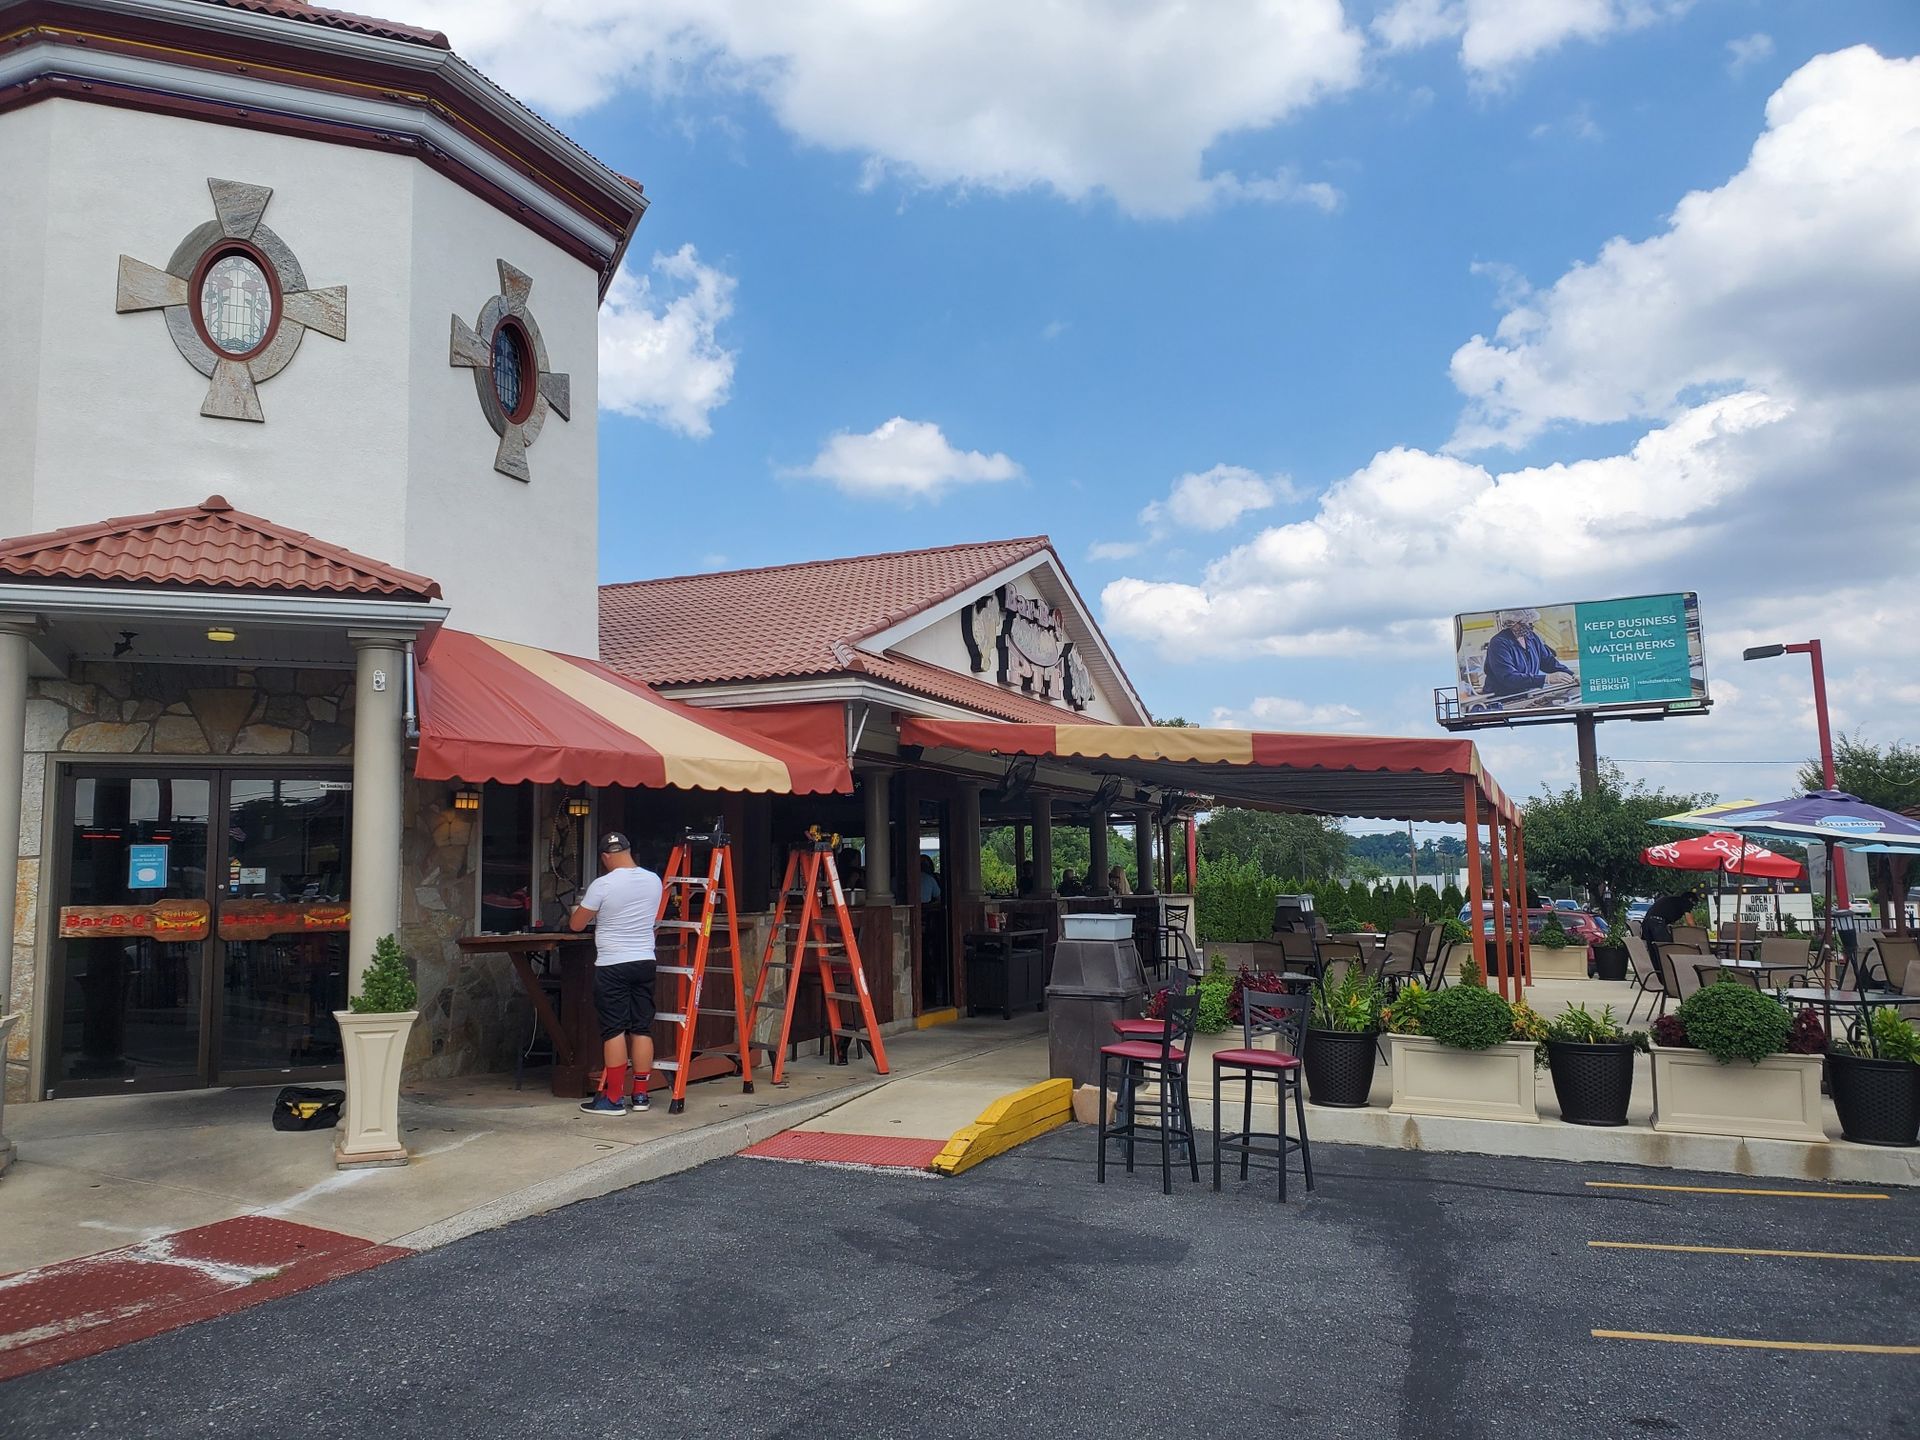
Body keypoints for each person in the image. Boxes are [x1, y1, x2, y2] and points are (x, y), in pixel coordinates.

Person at [569, 832, 663, 1117]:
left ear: (605, 857)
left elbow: (576, 924)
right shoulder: (653, 880)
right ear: (629, 850)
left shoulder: (603, 884)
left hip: (612, 963)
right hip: (645, 959)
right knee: (641, 1028)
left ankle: (611, 1099)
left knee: (615, 1030)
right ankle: (641, 1094)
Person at [1482, 609, 1576, 698]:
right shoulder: (1499, 643)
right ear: (1513, 623)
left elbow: (1549, 662)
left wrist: (1573, 675)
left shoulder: (1532, 638)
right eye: (1526, 623)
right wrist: (1546, 679)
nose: (1531, 626)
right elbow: (1509, 677)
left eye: (1531, 622)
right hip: (1504, 698)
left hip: (1527, 694)